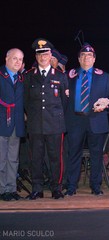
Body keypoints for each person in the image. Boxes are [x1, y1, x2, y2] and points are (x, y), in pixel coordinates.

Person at [65, 42, 109, 196]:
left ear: (94, 59)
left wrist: (106, 104)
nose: (86, 58)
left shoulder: (104, 77)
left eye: (89, 55)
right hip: (75, 121)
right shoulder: (70, 76)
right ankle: (71, 186)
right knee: (73, 154)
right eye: (83, 55)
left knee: (96, 155)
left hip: (96, 120)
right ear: (79, 59)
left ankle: (96, 186)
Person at [24, 38, 68, 200]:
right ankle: (37, 188)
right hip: (35, 124)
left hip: (55, 125)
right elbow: (26, 101)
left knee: (55, 157)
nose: (43, 57)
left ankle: (56, 188)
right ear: (36, 57)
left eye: (46, 53)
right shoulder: (29, 76)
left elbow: (64, 102)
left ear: (51, 55)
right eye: (39, 54)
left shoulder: (61, 76)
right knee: (35, 157)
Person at [0, 48, 25, 201]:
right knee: (1, 159)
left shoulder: (22, 79)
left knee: (13, 159)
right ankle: (2, 189)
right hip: (2, 123)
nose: (17, 62)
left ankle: (11, 188)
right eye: (15, 58)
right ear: (7, 58)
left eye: (20, 59)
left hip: (16, 124)